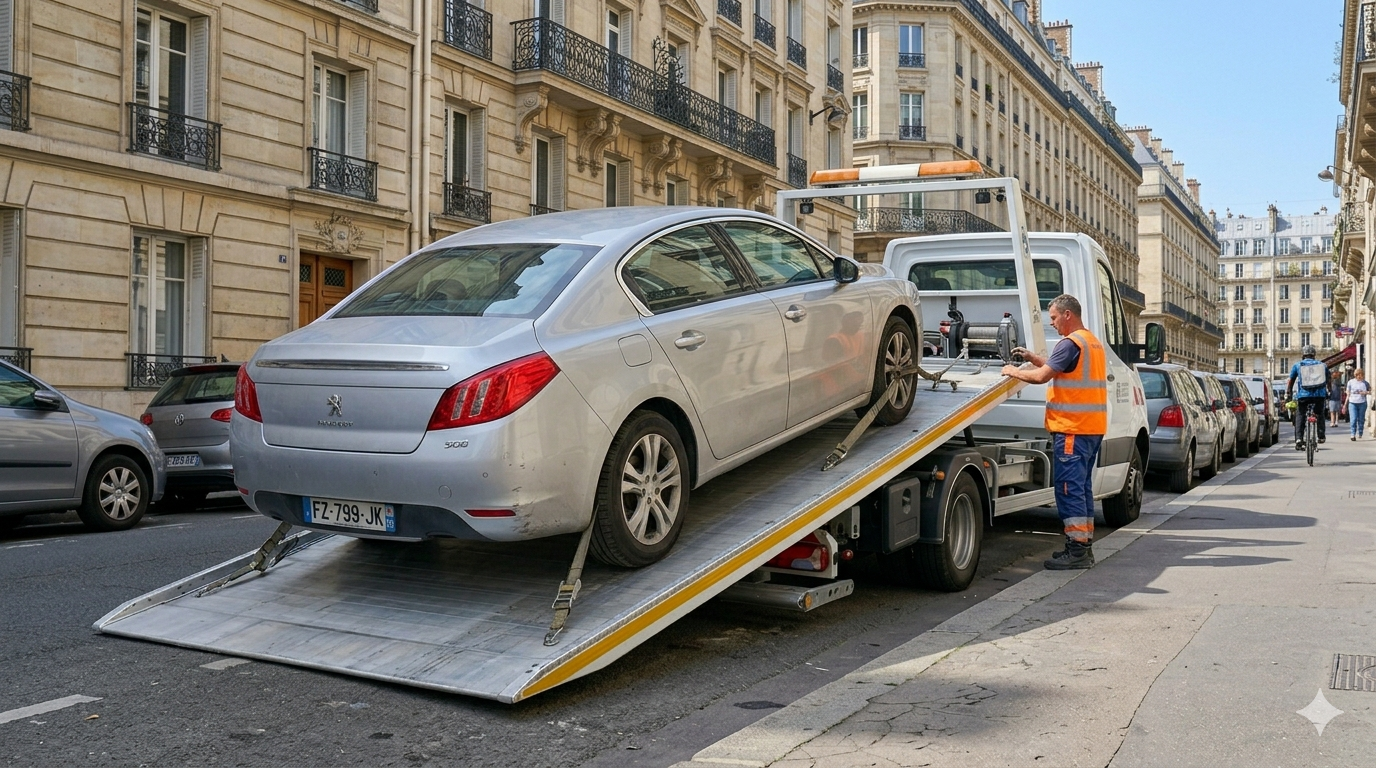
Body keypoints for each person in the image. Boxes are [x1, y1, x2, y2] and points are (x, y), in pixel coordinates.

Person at [1003, 294, 1107, 570]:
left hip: (1072, 430)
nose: (1052, 324)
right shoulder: (1091, 341)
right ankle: (1083, 547)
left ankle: (1077, 552)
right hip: (1091, 429)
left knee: (1068, 490)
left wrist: (1013, 370)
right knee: (1081, 489)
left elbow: (1042, 377)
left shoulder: (1070, 343)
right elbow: (1061, 369)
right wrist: (1033, 357)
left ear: (1067, 315)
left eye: (1054, 318)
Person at [1287, 344, 1331, 449]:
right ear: (1314, 355)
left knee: (1300, 414)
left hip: (1303, 395)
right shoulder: (1322, 365)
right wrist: (1329, 392)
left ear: (1303, 355)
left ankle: (1299, 438)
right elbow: (1329, 379)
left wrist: (1288, 393)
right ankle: (1321, 436)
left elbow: (1291, 380)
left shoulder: (1298, 365)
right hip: (1319, 395)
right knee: (1319, 413)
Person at [1348, 368, 1370, 440]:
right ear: (1355, 375)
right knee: (1353, 419)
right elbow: (1347, 391)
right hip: (1352, 403)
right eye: (1357, 375)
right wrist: (1345, 403)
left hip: (1362, 403)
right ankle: (1352, 434)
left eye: (1361, 375)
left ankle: (1360, 431)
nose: (1359, 376)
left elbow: (1370, 391)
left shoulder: (1365, 383)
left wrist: (1365, 392)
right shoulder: (1350, 382)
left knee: (1361, 419)